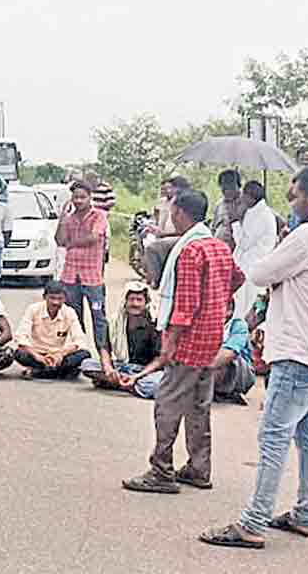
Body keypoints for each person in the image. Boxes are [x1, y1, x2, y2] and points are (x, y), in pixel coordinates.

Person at [200, 164, 308, 549]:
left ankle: (253, 522)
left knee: (274, 435)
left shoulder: (307, 238)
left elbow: (260, 272)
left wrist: (284, 243)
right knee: (307, 434)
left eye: (296, 194)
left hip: (296, 349)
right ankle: (307, 512)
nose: (292, 200)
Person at [122, 188, 244, 496]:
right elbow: (238, 278)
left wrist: (170, 342)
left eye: (172, 210)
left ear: (180, 213)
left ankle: (161, 470)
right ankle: (199, 468)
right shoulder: (218, 246)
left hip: (189, 340)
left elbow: (185, 305)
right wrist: (219, 301)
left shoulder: (190, 250)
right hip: (211, 337)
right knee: (198, 404)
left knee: (168, 403)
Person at [81, 281, 163, 396]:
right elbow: (105, 348)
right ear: (125, 301)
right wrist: (108, 369)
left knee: (155, 384)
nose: (135, 304)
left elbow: (160, 359)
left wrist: (136, 376)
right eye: (131, 299)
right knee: (87, 364)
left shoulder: (154, 324)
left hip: (146, 371)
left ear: (146, 303)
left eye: (139, 300)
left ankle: (120, 384)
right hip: (123, 366)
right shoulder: (116, 321)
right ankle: (125, 383)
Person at [56, 181, 109, 351]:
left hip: (92, 276)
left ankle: (104, 355)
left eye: (82, 197)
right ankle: (79, 353)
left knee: (98, 317)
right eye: (75, 197)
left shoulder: (99, 216)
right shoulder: (69, 219)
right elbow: (60, 241)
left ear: (89, 197)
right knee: (74, 318)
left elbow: (94, 237)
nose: (78, 201)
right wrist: (62, 221)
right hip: (70, 275)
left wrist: (73, 243)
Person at [13, 281, 93, 379]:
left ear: (65, 299)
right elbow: (21, 337)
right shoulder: (33, 309)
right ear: (44, 297)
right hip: (37, 354)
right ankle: (58, 372)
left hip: (59, 355)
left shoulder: (69, 312)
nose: (56, 302)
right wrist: (38, 356)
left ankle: (39, 372)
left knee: (85, 354)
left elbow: (80, 340)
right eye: (52, 298)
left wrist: (60, 354)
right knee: (19, 354)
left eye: (60, 299)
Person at [233, 180, 278, 318]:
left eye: (243, 195)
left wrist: (236, 223)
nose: (241, 198)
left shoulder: (263, 215)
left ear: (250, 196)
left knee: (246, 304)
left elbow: (245, 243)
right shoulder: (253, 212)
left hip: (254, 263)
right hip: (248, 262)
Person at [143, 176, 191, 287]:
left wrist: (163, 234)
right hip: (167, 233)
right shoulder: (168, 201)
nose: (169, 191)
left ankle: (158, 280)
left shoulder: (183, 201)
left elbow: (182, 229)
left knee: (152, 247)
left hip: (180, 236)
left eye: (172, 188)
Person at [213, 303, 256, 405]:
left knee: (226, 356)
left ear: (229, 310)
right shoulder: (207, 324)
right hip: (213, 371)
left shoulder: (238, 325)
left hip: (241, 375)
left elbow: (229, 353)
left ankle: (222, 391)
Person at [283, 147, 308, 235]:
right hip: (296, 217)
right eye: (302, 160)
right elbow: (289, 197)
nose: (305, 162)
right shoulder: (296, 177)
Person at [213, 170, 245, 251]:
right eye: (224, 189)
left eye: (230, 188)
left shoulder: (247, 202)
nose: (227, 191)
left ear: (238, 186)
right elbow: (214, 227)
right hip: (220, 249)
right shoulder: (219, 205)